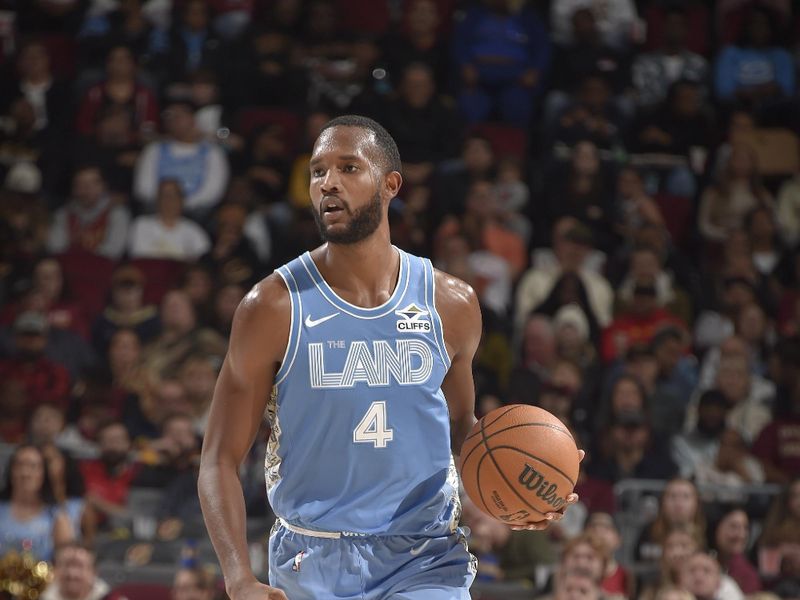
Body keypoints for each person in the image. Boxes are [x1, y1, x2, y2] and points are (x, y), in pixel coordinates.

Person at [197, 115, 582, 599]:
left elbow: (463, 428)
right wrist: (237, 579)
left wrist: (530, 485)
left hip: (424, 557)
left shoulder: (451, 304)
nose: (328, 183)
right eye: (318, 172)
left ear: (390, 185)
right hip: (313, 554)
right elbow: (218, 459)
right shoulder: (271, 308)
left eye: (348, 168)